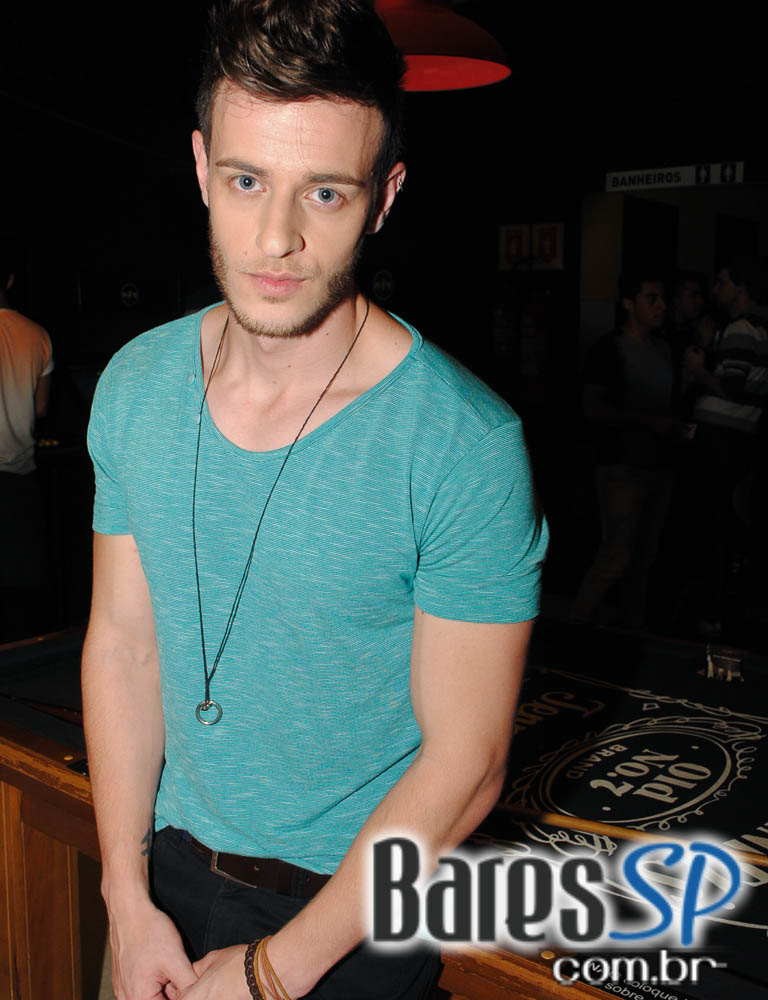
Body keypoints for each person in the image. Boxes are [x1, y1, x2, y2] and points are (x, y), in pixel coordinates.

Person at [81, 3, 548, 999]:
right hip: (157, 876)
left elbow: (467, 762)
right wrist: (125, 893)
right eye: (246, 180)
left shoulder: (462, 443)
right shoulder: (134, 386)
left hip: (350, 919)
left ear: (385, 199)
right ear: (201, 167)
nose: (277, 237)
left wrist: (270, 973)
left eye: (325, 192)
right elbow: (123, 643)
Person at [571, 270, 686, 629]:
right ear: (628, 304)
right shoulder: (611, 348)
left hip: (658, 463)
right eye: (651, 298)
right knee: (616, 554)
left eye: (662, 298)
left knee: (644, 558)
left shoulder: (663, 349)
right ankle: (576, 626)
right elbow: (592, 408)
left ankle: (630, 632)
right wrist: (646, 421)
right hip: (622, 464)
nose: (661, 306)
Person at [683, 257, 768, 634]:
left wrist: (698, 369)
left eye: (722, 282)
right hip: (738, 439)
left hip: (723, 440)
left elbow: (731, 387)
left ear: (740, 287)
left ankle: (710, 614)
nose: (715, 290)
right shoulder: (755, 327)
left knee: (713, 524)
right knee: (725, 522)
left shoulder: (742, 328)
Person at [0, 247, 53, 640]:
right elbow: (40, 409)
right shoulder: (37, 335)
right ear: (10, 280)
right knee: (20, 597)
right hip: (18, 479)